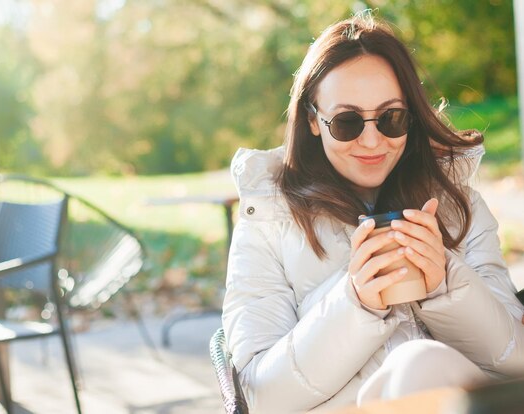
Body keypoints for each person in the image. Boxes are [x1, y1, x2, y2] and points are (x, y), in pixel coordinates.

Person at [221, 12, 524, 413]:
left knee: (422, 365)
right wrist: (354, 301)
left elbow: (514, 360)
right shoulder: (267, 223)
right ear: (313, 120)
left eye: (391, 118)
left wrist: (446, 284)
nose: (371, 140)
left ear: (411, 117)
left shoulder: (457, 208)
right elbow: (261, 399)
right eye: (346, 122)